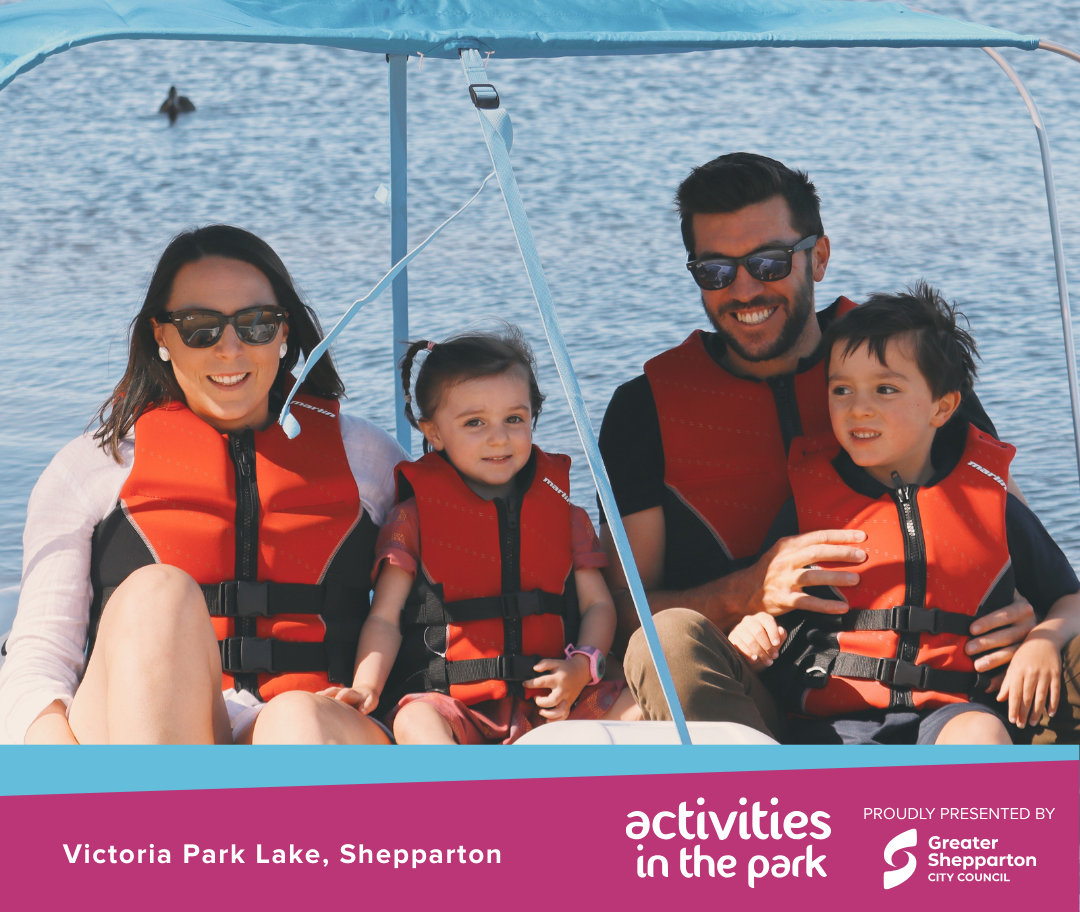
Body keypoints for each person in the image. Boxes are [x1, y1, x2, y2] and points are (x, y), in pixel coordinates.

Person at [600, 153, 1062, 741]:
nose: (744, 289)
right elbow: (624, 611)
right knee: (662, 641)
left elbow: (1004, 526)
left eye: (768, 262)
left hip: (944, 696)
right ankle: (755, 792)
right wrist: (743, 593)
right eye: (715, 270)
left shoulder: (907, 366)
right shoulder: (643, 410)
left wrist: (1028, 616)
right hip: (747, 692)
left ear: (818, 256)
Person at [0, 225, 406, 745]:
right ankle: (158, 795)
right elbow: (38, 658)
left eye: (257, 324)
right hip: (147, 733)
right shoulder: (91, 469)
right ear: (161, 335)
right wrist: (57, 759)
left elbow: (435, 616)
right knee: (157, 595)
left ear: (284, 332)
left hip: (316, 728)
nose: (230, 350)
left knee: (295, 718)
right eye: (199, 327)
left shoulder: (369, 462)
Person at [727, 284, 1080, 745]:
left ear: (943, 407)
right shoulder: (805, 507)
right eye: (841, 389)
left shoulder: (989, 504)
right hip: (832, 727)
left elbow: (1070, 597)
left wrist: (1043, 641)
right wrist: (752, 628)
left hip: (952, 714)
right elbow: (765, 604)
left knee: (982, 731)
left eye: (885, 389)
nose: (858, 408)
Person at [321, 328, 635, 744]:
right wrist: (366, 687)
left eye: (514, 419)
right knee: (414, 720)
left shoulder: (566, 516)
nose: (499, 437)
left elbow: (598, 605)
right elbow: (385, 617)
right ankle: (456, 783)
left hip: (553, 703)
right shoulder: (411, 520)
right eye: (475, 422)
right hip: (452, 704)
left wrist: (582, 667)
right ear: (433, 432)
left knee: (640, 708)